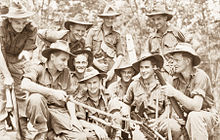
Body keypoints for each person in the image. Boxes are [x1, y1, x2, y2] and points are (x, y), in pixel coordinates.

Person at [21, 40, 94, 140]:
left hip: (59, 112)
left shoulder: (66, 72)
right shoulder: (38, 67)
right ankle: (42, 133)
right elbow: (25, 84)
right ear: (52, 57)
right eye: (63, 60)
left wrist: (73, 118)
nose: (65, 64)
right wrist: (52, 92)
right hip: (41, 113)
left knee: (80, 137)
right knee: (35, 98)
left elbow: (69, 97)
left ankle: (52, 136)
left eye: (67, 61)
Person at [161, 42, 218, 140]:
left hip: (206, 117)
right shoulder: (175, 80)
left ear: (187, 61)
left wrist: (174, 92)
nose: (174, 63)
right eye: (173, 60)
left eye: (177, 60)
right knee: (168, 124)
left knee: (194, 116)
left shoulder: (200, 76)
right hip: (187, 118)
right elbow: (173, 109)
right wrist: (176, 117)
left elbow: (196, 106)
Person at [0, 2, 37, 138]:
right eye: (17, 23)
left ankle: (23, 126)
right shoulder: (1, 28)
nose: (21, 26)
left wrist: (26, 54)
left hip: (18, 60)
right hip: (1, 58)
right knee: (2, 91)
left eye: (23, 22)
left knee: (21, 92)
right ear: (10, 19)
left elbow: (29, 50)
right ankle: (1, 127)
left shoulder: (31, 28)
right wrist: (6, 75)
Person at [122, 53, 173, 139]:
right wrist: (128, 120)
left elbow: (168, 108)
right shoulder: (134, 84)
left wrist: (158, 121)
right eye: (141, 67)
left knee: (173, 128)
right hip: (139, 123)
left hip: (158, 122)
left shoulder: (163, 86)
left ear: (154, 68)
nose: (143, 71)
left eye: (146, 67)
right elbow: (126, 103)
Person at [86, 5, 124, 87]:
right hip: (94, 67)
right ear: (103, 18)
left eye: (112, 18)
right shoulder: (93, 32)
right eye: (107, 18)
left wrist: (112, 71)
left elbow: (120, 56)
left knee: (111, 92)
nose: (110, 20)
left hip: (110, 69)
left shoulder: (117, 35)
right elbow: (87, 51)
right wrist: (97, 65)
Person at [144, 3, 185, 74]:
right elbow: (147, 57)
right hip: (158, 74)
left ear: (165, 18)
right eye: (153, 19)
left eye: (158, 19)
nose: (156, 22)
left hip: (176, 73)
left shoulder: (175, 33)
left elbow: (185, 54)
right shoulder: (151, 38)